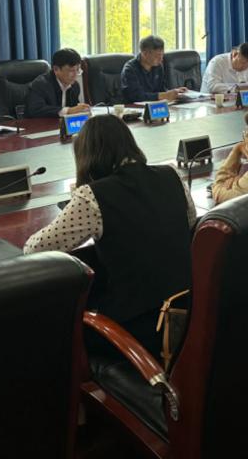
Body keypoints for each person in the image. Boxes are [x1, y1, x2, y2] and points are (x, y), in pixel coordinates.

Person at [24, 115, 194, 358]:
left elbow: (35, 249)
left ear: (88, 155)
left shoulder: (93, 196)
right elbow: (190, 224)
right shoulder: (172, 175)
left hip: (135, 330)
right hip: (187, 314)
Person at [25, 47, 91, 117]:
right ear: (56, 69)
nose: (75, 75)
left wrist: (81, 110)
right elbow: (35, 110)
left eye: (78, 70)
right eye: (71, 70)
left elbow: (73, 109)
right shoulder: (40, 85)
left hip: (61, 123)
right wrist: (68, 111)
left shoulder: (75, 86)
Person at [121, 35, 185, 103]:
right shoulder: (130, 69)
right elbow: (135, 96)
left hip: (155, 106)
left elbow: (161, 90)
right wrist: (164, 95)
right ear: (145, 54)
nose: (161, 59)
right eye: (157, 55)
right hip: (133, 108)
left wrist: (175, 92)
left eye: (162, 55)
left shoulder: (158, 66)